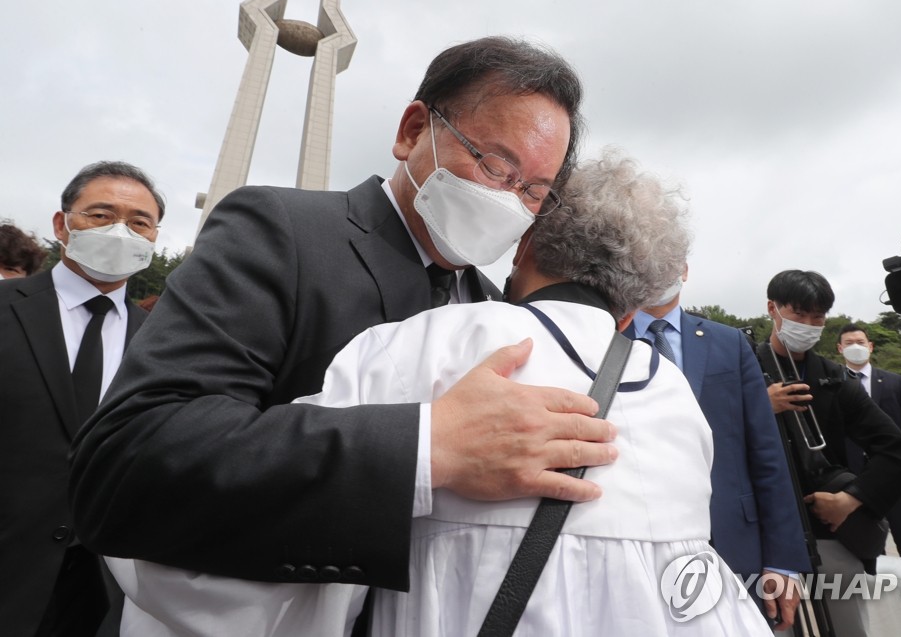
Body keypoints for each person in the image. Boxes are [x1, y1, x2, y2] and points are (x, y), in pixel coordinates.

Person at [107, 151, 773, 636]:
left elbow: (224, 559)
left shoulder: (419, 345)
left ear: (525, 246)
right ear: (633, 308)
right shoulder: (676, 401)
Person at [69, 37, 618, 592]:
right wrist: (426, 447)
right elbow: (126, 464)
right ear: (411, 131)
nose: (510, 200)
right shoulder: (280, 232)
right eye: (496, 166)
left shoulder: (495, 310)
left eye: (535, 192)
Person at [0, 161, 163, 637]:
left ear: (154, 236)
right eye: (100, 215)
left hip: (106, 594)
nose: (120, 231)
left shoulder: (164, 343)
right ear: (62, 224)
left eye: (138, 222)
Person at [630, 266, 809, 631]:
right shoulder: (604, 339)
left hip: (734, 539)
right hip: (638, 542)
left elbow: (766, 452)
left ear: (683, 269)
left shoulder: (728, 342)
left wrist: (783, 560)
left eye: (669, 257)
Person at [758, 270, 901, 637]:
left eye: (818, 317)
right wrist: (759, 406)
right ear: (772, 309)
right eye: (799, 315)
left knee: (847, 626)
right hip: (762, 532)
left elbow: (897, 449)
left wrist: (852, 498)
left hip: (828, 529)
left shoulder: (834, 377)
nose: (810, 325)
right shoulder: (741, 368)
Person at [835, 323, 901, 562]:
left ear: (871, 347)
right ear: (840, 349)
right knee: (869, 544)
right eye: (849, 343)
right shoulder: (833, 385)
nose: (856, 347)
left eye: (860, 343)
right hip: (855, 478)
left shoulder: (895, 382)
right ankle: (880, 592)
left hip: (897, 474)